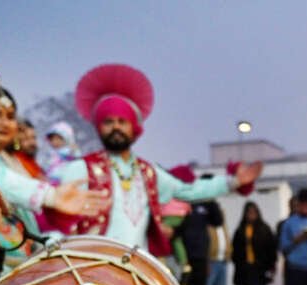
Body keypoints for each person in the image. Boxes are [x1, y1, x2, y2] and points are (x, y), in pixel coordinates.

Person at [51, 64, 261, 266]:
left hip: (136, 269)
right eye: (108, 122)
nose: (116, 127)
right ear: (99, 127)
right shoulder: (80, 169)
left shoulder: (148, 173)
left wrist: (233, 182)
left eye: (122, 121)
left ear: (133, 128)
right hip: (90, 268)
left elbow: (187, 191)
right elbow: (58, 220)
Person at [0, 85, 107, 285]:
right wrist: (50, 196)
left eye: (10, 116)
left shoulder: (11, 160)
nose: (4, 123)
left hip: (14, 269)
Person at [231, 202, 276, 285]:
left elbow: (271, 249)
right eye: (249, 213)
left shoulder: (264, 229)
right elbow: (236, 251)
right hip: (246, 269)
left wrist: (270, 266)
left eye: (253, 213)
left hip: (260, 268)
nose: (251, 215)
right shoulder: (241, 230)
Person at [177, 194, 223, 285]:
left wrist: (211, 200)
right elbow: (176, 229)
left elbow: (218, 221)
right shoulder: (182, 200)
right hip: (182, 256)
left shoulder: (206, 204)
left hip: (200, 255)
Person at [207, 202, 231, 285]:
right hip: (211, 261)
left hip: (223, 261)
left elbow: (226, 237)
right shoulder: (208, 223)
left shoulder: (222, 223)